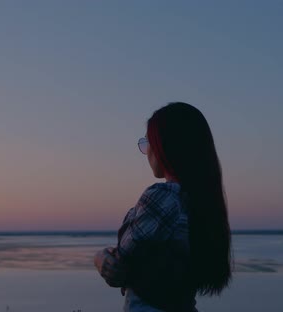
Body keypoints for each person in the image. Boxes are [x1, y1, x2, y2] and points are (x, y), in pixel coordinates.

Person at [94, 102, 232, 311]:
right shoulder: (202, 203)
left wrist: (99, 257)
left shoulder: (164, 198)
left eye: (148, 142)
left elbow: (118, 267)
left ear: (164, 146)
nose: (147, 151)